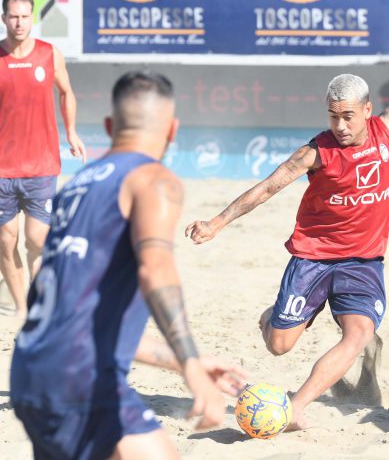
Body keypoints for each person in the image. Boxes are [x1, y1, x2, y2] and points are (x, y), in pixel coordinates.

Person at [185, 19, 389, 428]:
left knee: (358, 333)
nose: (341, 126)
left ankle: (296, 407)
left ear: (367, 110)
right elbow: (266, 189)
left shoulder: (387, 127)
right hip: (313, 257)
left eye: (348, 116)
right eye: (333, 117)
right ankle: (274, 316)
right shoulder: (314, 153)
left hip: (362, 262)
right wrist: (217, 223)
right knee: (279, 345)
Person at [10, 71, 247, 459]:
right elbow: (156, 269)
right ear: (172, 130)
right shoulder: (152, 179)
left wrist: (182, 361)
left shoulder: (76, 187)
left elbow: (77, 318)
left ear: (109, 126)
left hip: (29, 371)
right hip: (81, 375)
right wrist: (191, 365)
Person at [0, 0, 86, 319]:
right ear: (4, 18)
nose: (19, 22)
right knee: (6, 240)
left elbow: (66, 92)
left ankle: (37, 300)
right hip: (2, 168)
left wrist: (72, 131)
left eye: (24, 16)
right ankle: (22, 309)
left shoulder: (49, 54)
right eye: (13, 16)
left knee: (37, 239)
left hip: (41, 165)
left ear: (32, 18)